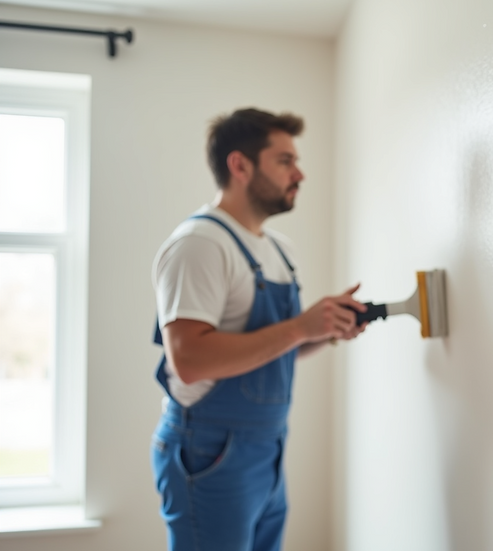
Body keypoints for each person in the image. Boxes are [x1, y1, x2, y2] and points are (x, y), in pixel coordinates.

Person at [149, 108, 366, 551]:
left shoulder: (278, 250)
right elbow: (188, 361)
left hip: (267, 447)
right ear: (240, 165)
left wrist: (322, 330)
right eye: (285, 160)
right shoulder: (200, 245)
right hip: (211, 449)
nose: (300, 173)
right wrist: (299, 328)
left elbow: (275, 346)